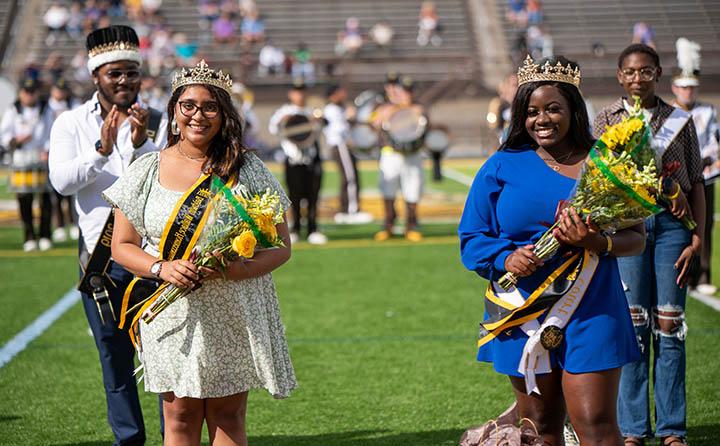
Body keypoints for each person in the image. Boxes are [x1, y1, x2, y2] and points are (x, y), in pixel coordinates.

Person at [103, 59, 297, 446]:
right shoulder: (146, 169)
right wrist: (162, 267)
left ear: (224, 114)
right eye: (188, 105)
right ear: (174, 111)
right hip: (171, 308)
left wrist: (234, 270)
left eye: (210, 107)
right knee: (179, 415)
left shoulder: (247, 167)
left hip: (234, 304)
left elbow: (281, 246)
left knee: (228, 415)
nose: (198, 115)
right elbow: (121, 247)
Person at [459, 55, 645, 446]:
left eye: (553, 109)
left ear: (574, 111)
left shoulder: (605, 162)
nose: (541, 119)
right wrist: (504, 258)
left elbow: (636, 237)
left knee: (595, 424)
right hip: (521, 311)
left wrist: (595, 242)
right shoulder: (500, 165)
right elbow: (472, 238)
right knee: (540, 429)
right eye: (531, 111)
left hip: (593, 306)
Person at [48, 25, 168, 445]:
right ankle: (129, 440)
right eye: (114, 73)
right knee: (114, 360)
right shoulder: (70, 123)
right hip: (101, 262)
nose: (123, 81)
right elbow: (62, 182)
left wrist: (138, 147)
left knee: (163, 357)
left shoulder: (156, 120)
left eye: (130, 73)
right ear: (96, 76)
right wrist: (100, 151)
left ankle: (176, 438)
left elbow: (167, 183)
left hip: (151, 256)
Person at [593, 44, 704, 446]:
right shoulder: (606, 119)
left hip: (673, 229)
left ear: (658, 73)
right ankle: (633, 428)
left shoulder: (681, 121)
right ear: (619, 76)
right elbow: (601, 178)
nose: (637, 78)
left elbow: (696, 184)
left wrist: (698, 238)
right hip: (627, 229)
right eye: (630, 72)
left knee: (670, 327)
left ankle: (672, 428)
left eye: (645, 71)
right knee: (634, 325)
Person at [671, 38, 719, 295]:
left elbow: (713, 143)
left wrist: (707, 159)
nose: (688, 92)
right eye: (684, 87)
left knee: (705, 225)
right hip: (678, 178)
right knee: (679, 225)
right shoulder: (668, 112)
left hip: (706, 175)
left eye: (692, 88)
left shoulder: (708, 111)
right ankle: (682, 273)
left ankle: (703, 275)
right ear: (675, 88)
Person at [268, 81, 327, 245]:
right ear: (291, 94)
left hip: (311, 159)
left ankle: (313, 229)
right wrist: (283, 120)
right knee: (293, 194)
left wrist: (316, 119)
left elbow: (324, 125)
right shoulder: (284, 111)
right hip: (293, 160)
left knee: (313, 195)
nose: (300, 95)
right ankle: (294, 229)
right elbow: (273, 128)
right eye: (296, 91)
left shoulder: (312, 111)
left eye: (302, 91)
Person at [0, 77, 55, 252]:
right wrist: (16, 140)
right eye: (26, 92)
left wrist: (47, 149)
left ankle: (45, 235)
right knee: (24, 199)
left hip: (41, 157)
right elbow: (4, 135)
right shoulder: (13, 111)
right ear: (21, 93)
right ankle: (29, 235)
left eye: (33, 92)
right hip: (22, 158)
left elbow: (51, 131)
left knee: (45, 198)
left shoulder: (45, 109)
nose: (30, 96)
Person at [371, 74, 426, 242]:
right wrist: (395, 107)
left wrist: (402, 106)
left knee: (412, 191)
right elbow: (376, 121)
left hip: (412, 154)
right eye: (403, 91)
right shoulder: (385, 107)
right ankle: (388, 224)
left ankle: (411, 225)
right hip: (391, 153)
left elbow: (418, 113)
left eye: (409, 91)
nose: (406, 95)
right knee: (388, 190)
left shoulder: (417, 107)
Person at [323, 84, 372, 225]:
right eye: (340, 92)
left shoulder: (339, 108)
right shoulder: (331, 109)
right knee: (350, 177)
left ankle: (347, 209)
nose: (343, 94)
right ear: (332, 95)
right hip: (340, 145)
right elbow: (339, 128)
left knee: (351, 175)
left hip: (342, 146)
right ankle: (351, 210)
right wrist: (348, 117)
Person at [47, 77, 79, 243]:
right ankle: (59, 225)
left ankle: (72, 222)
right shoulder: (45, 107)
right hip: (50, 150)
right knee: (55, 192)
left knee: (72, 191)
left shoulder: (72, 105)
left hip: (69, 150)